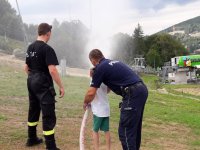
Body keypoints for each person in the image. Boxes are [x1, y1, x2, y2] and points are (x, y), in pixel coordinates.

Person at [83, 49, 148, 150]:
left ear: (92, 60)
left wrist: (85, 102)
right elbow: (109, 88)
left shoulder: (100, 68)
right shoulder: (112, 63)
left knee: (125, 131)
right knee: (134, 129)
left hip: (132, 93)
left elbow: (91, 93)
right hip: (142, 89)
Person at [24, 23, 65, 150]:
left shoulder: (30, 47)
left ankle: (31, 139)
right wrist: (61, 86)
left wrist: (33, 77)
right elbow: (52, 70)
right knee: (48, 113)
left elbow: (26, 67)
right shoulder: (47, 49)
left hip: (31, 80)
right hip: (43, 82)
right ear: (48, 33)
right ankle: (50, 146)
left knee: (33, 109)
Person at [89, 68, 111, 150]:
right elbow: (107, 91)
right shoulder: (104, 81)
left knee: (95, 131)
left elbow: (92, 94)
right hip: (106, 109)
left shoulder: (93, 81)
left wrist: (87, 102)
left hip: (98, 110)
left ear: (92, 73)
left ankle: (96, 148)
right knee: (107, 130)